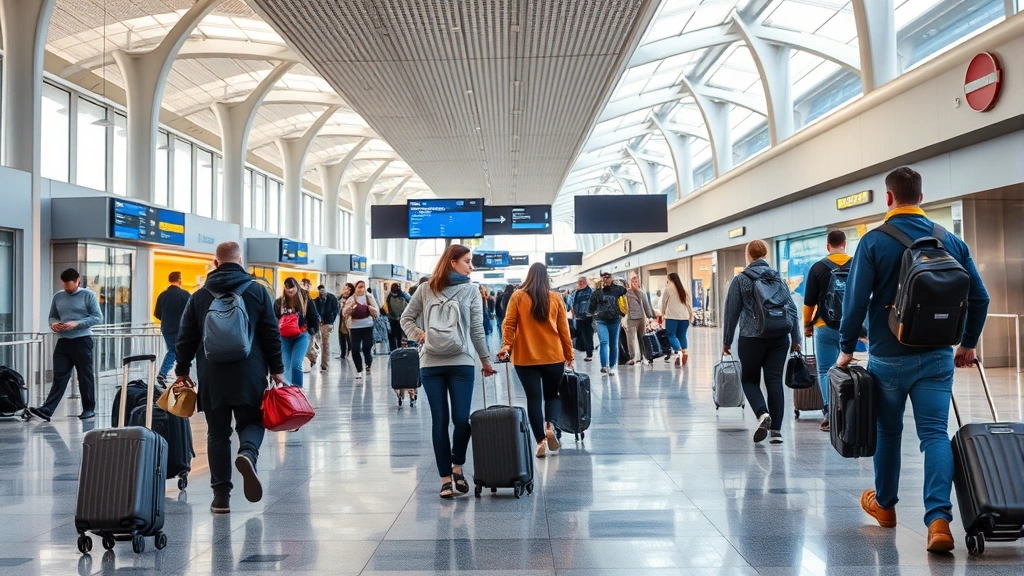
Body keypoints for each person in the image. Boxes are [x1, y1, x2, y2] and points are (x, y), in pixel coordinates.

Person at [835, 167, 989, 553]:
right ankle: (938, 521)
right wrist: (967, 343)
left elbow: (854, 303)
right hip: (937, 356)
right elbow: (979, 297)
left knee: (889, 432)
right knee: (934, 434)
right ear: (921, 196)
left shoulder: (873, 242)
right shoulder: (951, 240)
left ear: (888, 198)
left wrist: (846, 347)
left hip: (888, 356)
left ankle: (885, 507)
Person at [173, 241, 285, 513]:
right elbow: (271, 333)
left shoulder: (199, 296)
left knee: (218, 433)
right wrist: (277, 369)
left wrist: (182, 371)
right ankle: (247, 452)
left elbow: (185, 337)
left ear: (215, 263)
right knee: (252, 421)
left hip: (212, 374)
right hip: (250, 371)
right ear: (241, 261)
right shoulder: (257, 291)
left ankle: (221, 496)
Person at [400, 244, 494, 499]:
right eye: (467, 261)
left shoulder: (472, 291)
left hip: (462, 362)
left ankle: (457, 466)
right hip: (431, 364)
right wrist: (419, 335)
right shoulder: (425, 288)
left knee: (462, 419)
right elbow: (405, 319)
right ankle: (445, 479)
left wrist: (485, 360)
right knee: (440, 421)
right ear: (452, 262)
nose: (471, 266)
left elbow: (477, 329)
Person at [722, 240, 801, 445]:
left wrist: (727, 341)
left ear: (748, 255)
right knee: (774, 381)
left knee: (749, 380)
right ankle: (776, 432)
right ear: (765, 254)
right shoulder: (778, 278)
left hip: (751, 337)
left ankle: (762, 414)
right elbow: (792, 309)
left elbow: (731, 313)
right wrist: (796, 339)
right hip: (779, 337)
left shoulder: (741, 279)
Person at [498, 263, 573, 458]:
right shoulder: (556, 297)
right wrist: (569, 355)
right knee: (552, 395)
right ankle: (550, 425)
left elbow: (509, 324)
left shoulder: (518, 296)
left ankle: (540, 441)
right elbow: (564, 331)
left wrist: (507, 346)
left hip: (525, 358)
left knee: (533, 399)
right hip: (553, 356)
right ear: (546, 277)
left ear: (529, 276)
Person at [27, 268, 104, 422]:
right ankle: (47, 410)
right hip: (63, 341)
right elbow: (52, 315)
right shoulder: (58, 296)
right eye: (64, 285)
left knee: (85, 376)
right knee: (59, 376)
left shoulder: (88, 295)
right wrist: (54, 323)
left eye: (69, 285)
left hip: (82, 340)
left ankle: (89, 409)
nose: (66, 288)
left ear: (77, 281)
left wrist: (77, 324)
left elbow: (98, 318)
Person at [802, 230, 852, 432]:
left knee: (826, 370)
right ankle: (849, 411)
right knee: (848, 369)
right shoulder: (857, 264)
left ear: (827, 246)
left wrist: (807, 324)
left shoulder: (818, 267)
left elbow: (809, 302)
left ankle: (830, 412)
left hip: (824, 326)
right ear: (845, 244)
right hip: (851, 327)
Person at [274, 277, 320, 387]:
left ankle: (298, 391)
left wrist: (312, 331)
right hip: (284, 337)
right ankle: (289, 392)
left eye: (292, 290)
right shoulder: (279, 302)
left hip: (301, 336)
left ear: (296, 287)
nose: (290, 293)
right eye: (288, 291)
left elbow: (313, 315)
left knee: (296, 364)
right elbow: (274, 317)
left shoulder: (305, 299)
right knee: (286, 366)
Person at [153, 271, 191, 386]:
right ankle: (163, 373)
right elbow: (191, 313)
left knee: (174, 350)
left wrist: (166, 320)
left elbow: (157, 313)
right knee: (175, 351)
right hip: (181, 329)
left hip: (167, 328)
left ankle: (179, 375)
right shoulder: (185, 295)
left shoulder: (162, 295)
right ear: (179, 280)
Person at [588, 272, 627, 375]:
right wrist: (592, 316)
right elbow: (591, 307)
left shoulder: (617, 289)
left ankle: (613, 365)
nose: (605, 279)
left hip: (615, 320)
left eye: (608, 277)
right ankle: (604, 365)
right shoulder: (597, 292)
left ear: (611, 278)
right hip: (601, 320)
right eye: (603, 277)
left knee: (614, 343)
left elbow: (625, 290)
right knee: (604, 342)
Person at [342, 280, 380, 378]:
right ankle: (359, 369)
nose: (361, 289)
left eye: (363, 287)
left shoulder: (369, 297)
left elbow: (377, 311)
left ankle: (368, 363)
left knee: (366, 347)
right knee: (355, 349)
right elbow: (344, 312)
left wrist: (372, 309)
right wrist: (350, 309)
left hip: (368, 325)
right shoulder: (351, 299)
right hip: (354, 326)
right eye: (359, 287)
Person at [659, 272, 695, 367]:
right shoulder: (684, 289)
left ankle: (679, 352)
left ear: (669, 279)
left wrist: (662, 314)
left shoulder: (668, 288)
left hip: (672, 317)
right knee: (682, 335)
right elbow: (688, 303)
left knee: (671, 335)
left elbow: (664, 302)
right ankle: (684, 352)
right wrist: (691, 314)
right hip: (684, 317)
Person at [622, 275, 654, 365]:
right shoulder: (626, 293)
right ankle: (632, 357)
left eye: (636, 281)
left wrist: (650, 316)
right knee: (630, 339)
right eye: (633, 281)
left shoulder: (641, 293)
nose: (634, 283)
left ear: (638, 282)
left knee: (642, 338)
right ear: (630, 282)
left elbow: (646, 305)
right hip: (630, 318)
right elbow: (623, 306)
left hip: (641, 318)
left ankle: (643, 356)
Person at [312, 285, 340, 371]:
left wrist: (331, 319)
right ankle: (313, 359)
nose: (322, 293)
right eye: (320, 291)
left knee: (325, 343)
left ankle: (324, 364)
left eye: (323, 291)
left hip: (328, 323)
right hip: (318, 323)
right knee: (316, 342)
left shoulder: (332, 298)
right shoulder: (316, 300)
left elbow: (335, 310)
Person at [569, 277, 594, 362]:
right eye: (579, 281)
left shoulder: (590, 291)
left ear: (586, 282)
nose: (581, 283)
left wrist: (591, 314)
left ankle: (589, 353)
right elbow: (572, 303)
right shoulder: (576, 292)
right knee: (580, 335)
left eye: (583, 281)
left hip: (587, 317)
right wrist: (574, 314)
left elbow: (593, 303)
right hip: (578, 317)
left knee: (588, 335)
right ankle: (584, 349)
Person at [385, 283, 411, 351]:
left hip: (397, 318)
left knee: (397, 335)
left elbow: (410, 301)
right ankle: (396, 350)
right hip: (394, 318)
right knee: (396, 335)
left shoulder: (400, 294)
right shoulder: (399, 295)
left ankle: (397, 349)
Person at [336, 283, 354, 360]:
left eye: (349, 289)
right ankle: (342, 353)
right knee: (341, 336)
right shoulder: (340, 298)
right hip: (341, 321)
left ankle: (350, 352)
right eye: (345, 288)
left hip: (349, 320)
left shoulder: (352, 299)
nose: (346, 291)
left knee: (349, 337)